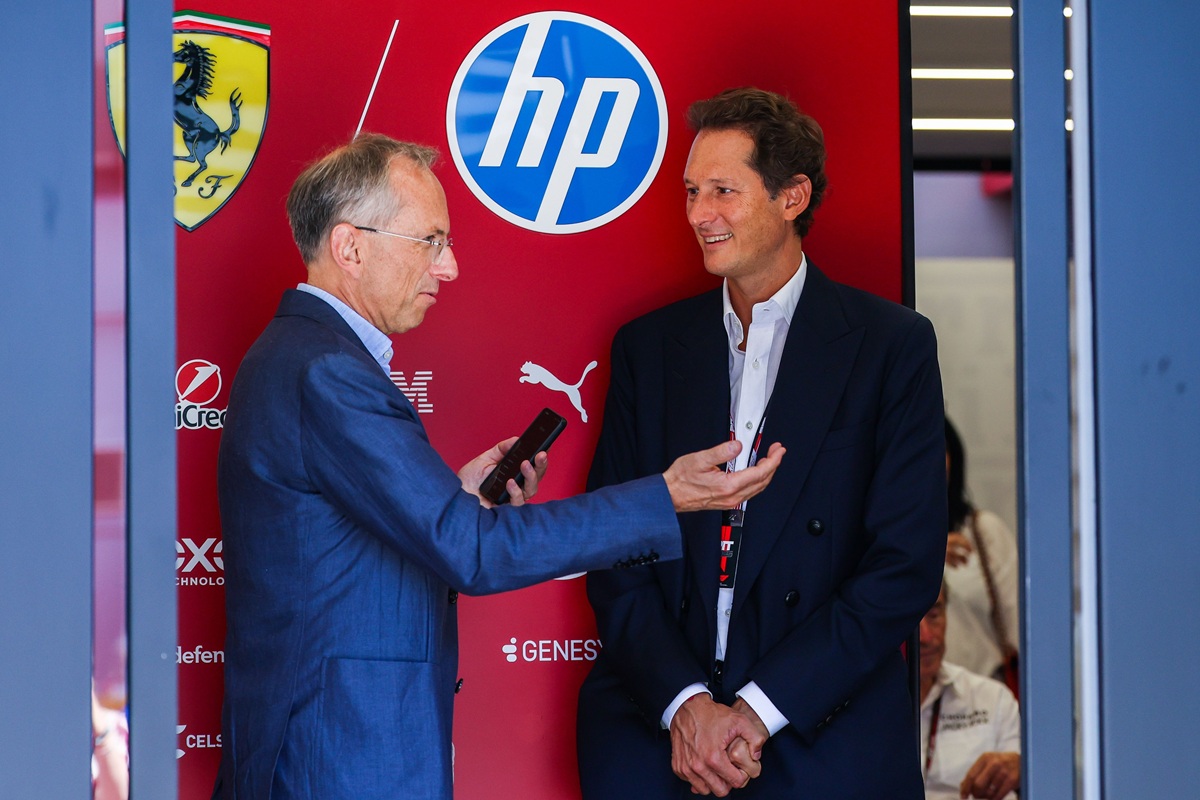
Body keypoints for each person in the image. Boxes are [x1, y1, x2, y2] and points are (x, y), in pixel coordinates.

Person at [211, 133, 785, 800]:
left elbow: (351, 542)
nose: (449, 267)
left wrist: (457, 498)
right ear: (351, 247)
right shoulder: (326, 370)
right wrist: (667, 496)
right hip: (338, 756)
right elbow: (473, 553)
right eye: (430, 241)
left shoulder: (305, 356)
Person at [576, 87, 946, 798]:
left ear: (792, 197)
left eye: (723, 191)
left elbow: (904, 564)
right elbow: (615, 546)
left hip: (824, 738)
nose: (698, 214)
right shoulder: (648, 349)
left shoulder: (890, 347)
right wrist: (686, 705)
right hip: (658, 741)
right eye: (691, 192)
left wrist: (757, 711)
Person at [920, 584, 1020, 800]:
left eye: (934, 616)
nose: (925, 637)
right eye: (912, 621)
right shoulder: (860, 705)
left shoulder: (993, 699)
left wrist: (1020, 769)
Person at [943, 418, 1019, 686]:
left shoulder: (983, 532)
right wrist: (926, 555)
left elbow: (1020, 631)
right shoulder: (879, 545)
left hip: (984, 699)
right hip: (909, 700)